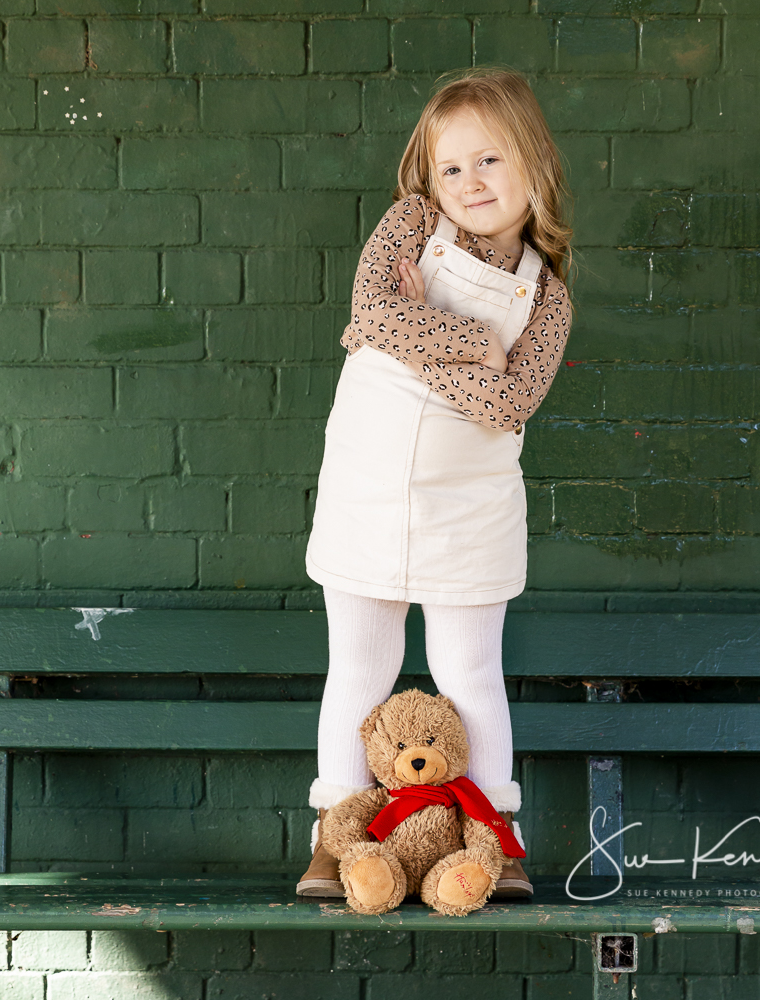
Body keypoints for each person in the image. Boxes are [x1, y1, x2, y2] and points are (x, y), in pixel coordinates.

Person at [297, 67, 574, 900]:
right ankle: (336, 835)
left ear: (533, 164)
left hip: (472, 506)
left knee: (472, 675)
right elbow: (369, 310)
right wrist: (474, 346)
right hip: (368, 483)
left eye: (489, 161)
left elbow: (509, 403)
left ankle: (493, 840)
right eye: (451, 168)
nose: (470, 183)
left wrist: (429, 346)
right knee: (358, 669)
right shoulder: (411, 222)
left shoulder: (548, 297)